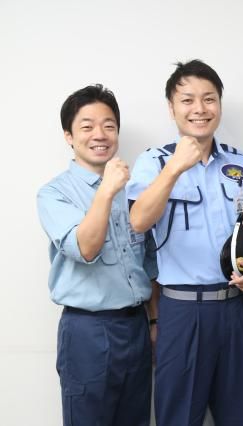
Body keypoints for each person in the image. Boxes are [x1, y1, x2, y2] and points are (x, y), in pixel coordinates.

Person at [126, 59, 243, 426]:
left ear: (219, 104)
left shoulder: (242, 164)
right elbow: (139, 221)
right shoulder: (154, 161)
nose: (200, 109)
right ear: (171, 108)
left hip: (238, 309)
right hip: (182, 311)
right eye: (188, 100)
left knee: (235, 414)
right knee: (179, 416)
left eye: (209, 99)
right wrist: (175, 167)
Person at [37, 84, 154, 426]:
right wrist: (106, 190)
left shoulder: (135, 191)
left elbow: (149, 265)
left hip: (136, 326)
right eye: (87, 126)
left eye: (109, 125)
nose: (100, 134)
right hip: (87, 331)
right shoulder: (54, 194)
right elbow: (85, 248)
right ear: (69, 136)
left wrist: (154, 321)